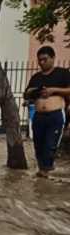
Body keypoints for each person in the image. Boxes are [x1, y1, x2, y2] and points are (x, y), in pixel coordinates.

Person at [24, 46, 70, 178]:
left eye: (45, 59)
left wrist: (53, 90)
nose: (42, 63)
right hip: (38, 115)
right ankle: (41, 170)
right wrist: (30, 92)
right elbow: (25, 95)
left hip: (55, 115)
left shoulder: (62, 73)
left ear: (53, 58)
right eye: (39, 60)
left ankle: (45, 172)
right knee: (38, 145)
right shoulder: (36, 77)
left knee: (50, 144)